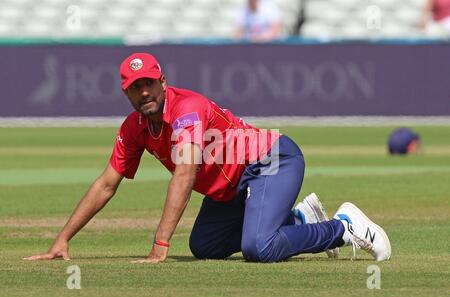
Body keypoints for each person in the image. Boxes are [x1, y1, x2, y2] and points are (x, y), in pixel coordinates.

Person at [24, 53, 391, 264]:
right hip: (228, 188)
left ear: (163, 81)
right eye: (134, 88)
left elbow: (184, 175)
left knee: (258, 249)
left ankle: (343, 228)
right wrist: (63, 240)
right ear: (126, 93)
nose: (144, 92)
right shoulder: (133, 128)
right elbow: (106, 183)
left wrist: (160, 246)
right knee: (205, 248)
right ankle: (298, 218)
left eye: (149, 82)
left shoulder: (188, 109)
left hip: (270, 160)